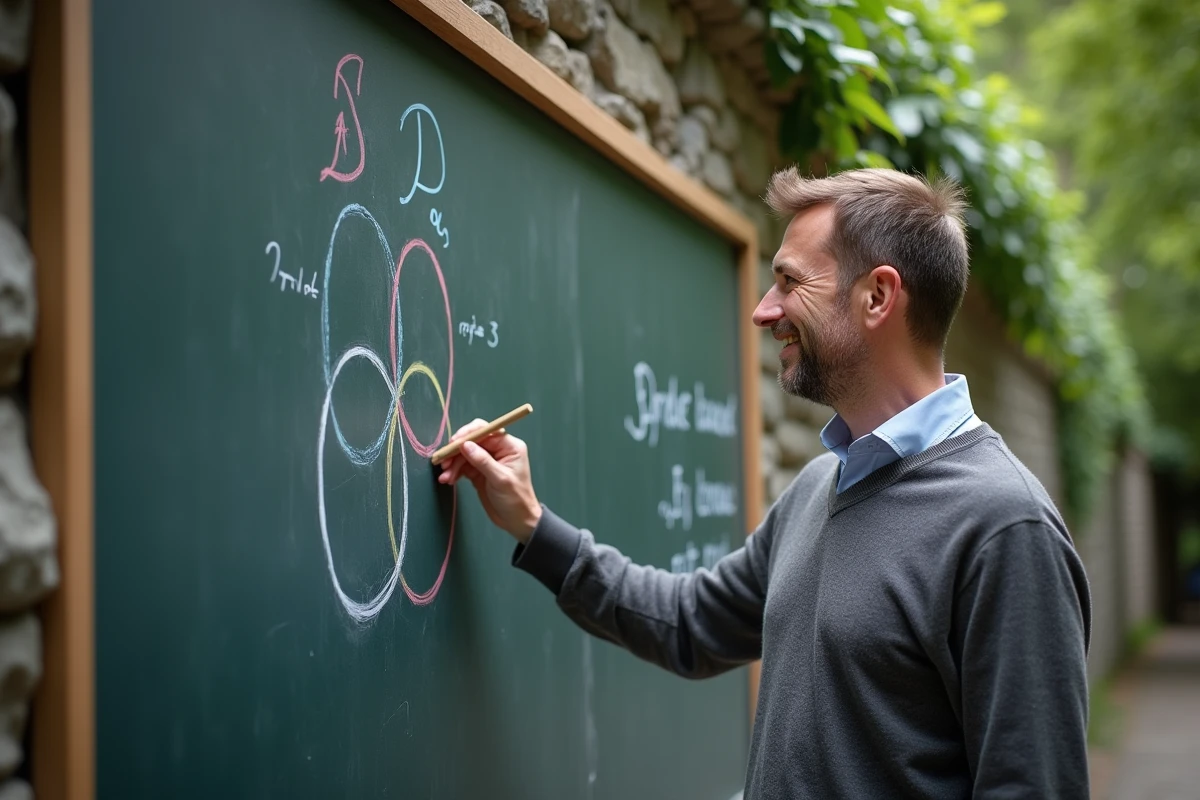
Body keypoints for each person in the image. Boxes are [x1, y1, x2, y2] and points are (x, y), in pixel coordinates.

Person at [436, 167, 1092, 799]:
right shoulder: (817, 488)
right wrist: (531, 522)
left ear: (877, 296)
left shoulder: (1006, 528)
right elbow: (688, 623)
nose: (762, 310)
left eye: (787, 281)